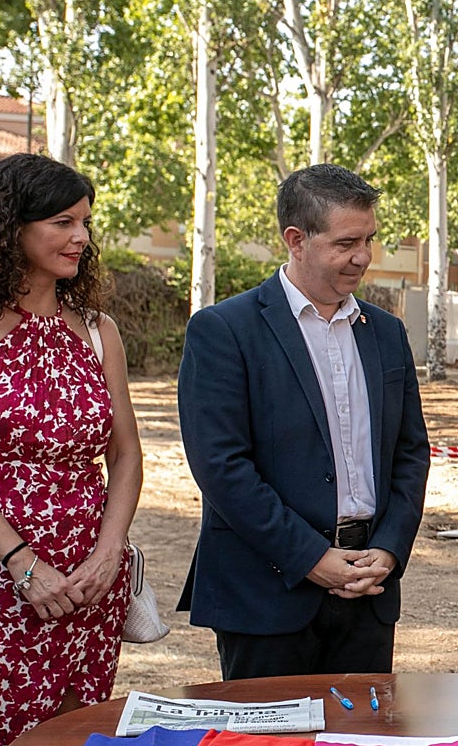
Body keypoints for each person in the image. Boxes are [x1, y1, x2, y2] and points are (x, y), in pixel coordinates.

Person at [177, 163, 429, 680]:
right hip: (266, 593)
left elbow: (409, 452)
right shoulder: (224, 330)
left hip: (369, 588)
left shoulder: (386, 333)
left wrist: (388, 546)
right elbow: (222, 466)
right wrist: (311, 557)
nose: (363, 257)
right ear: (296, 239)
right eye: (346, 243)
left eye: (369, 239)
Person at [0, 153, 143, 746]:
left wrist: (110, 551)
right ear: (10, 229)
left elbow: (127, 455)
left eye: (85, 221)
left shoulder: (96, 330)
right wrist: (23, 564)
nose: (82, 236)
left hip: (90, 580)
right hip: (2, 578)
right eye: (62, 221)